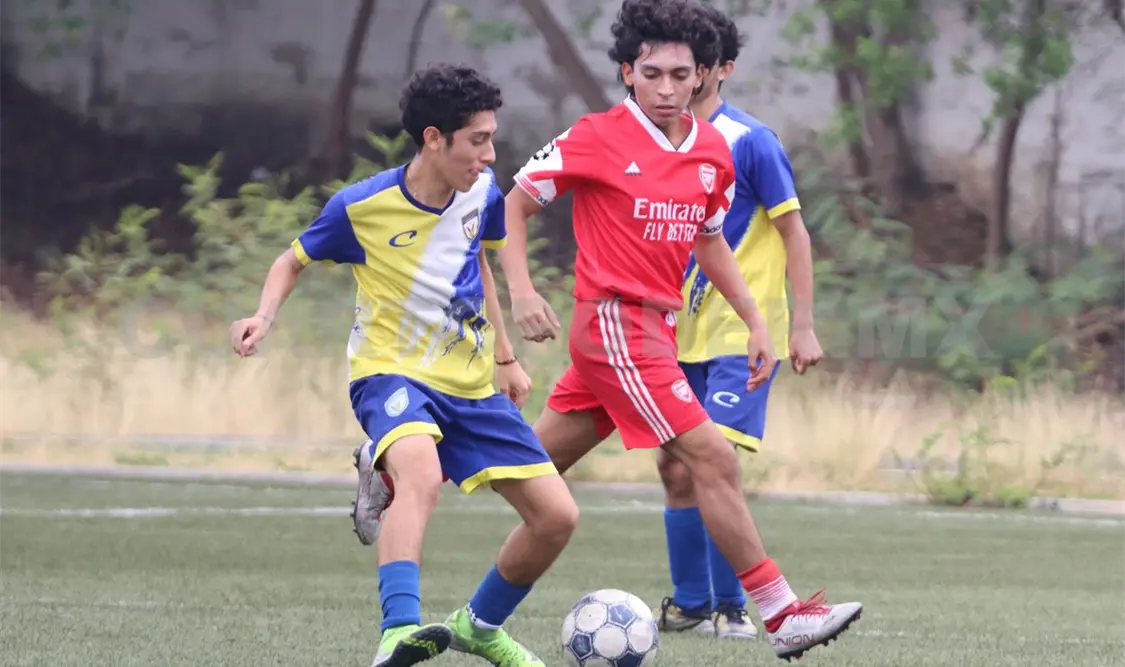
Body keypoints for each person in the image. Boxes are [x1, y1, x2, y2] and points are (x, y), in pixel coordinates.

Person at [499, 0, 861, 661]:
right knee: (710, 456)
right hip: (613, 323)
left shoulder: (714, 153)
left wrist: (758, 320)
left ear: (702, 76)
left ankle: (404, 469)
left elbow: (709, 240)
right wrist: (522, 292)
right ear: (626, 73)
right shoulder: (595, 135)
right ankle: (779, 612)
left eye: (679, 74)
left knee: (530, 460)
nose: (666, 87)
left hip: (654, 330)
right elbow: (513, 205)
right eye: (652, 73)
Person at [229, 63, 578, 667]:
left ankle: (479, 625)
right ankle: (398, 630)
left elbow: (481, 266)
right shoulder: (361, 206)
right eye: (478, 140)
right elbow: (292, 260)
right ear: (434, 139)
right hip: (389, 371)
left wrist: (505, 358)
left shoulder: (482, 193)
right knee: (421, 473)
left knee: (557, 517)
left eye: (492, 138)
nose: (490, 155)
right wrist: (264, 316)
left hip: (469, 383)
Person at [652, 3, 824, 643]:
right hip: (674, 333)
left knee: (713, 460)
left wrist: (801, 326)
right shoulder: (659, 143)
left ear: (718, 70)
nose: (683, 80)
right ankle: (693, 606)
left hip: (740, 335)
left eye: (697, 66)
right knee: (675, 467)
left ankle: (732, 607)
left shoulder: (751, 141)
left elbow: (795, 233)